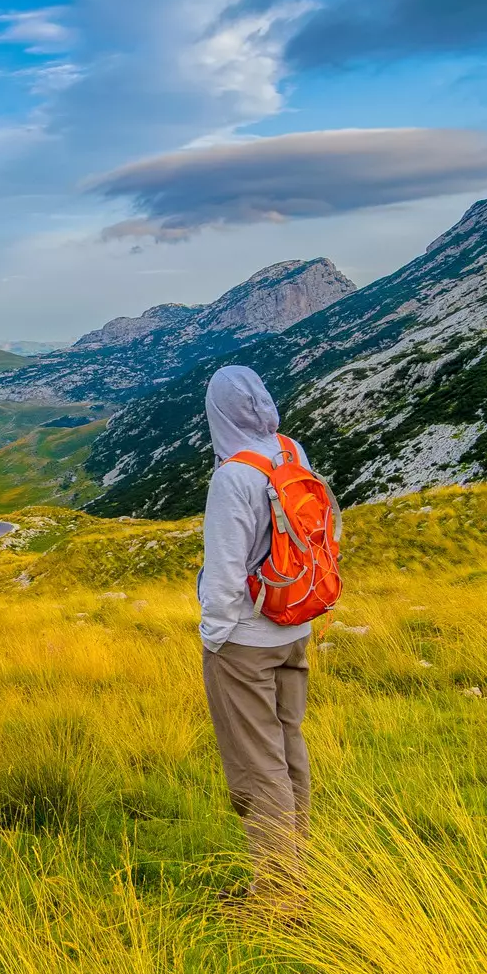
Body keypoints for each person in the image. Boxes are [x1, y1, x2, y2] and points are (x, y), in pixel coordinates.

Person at [198, 364, 313, 893]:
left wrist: (214, 637)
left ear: (218, 413)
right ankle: (298, 866)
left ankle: (276, 895)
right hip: (295, 624)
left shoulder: (234, 476)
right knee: (288, 744)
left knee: (257, 762)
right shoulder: (290, 451)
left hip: (246, 639)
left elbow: (223, 572)